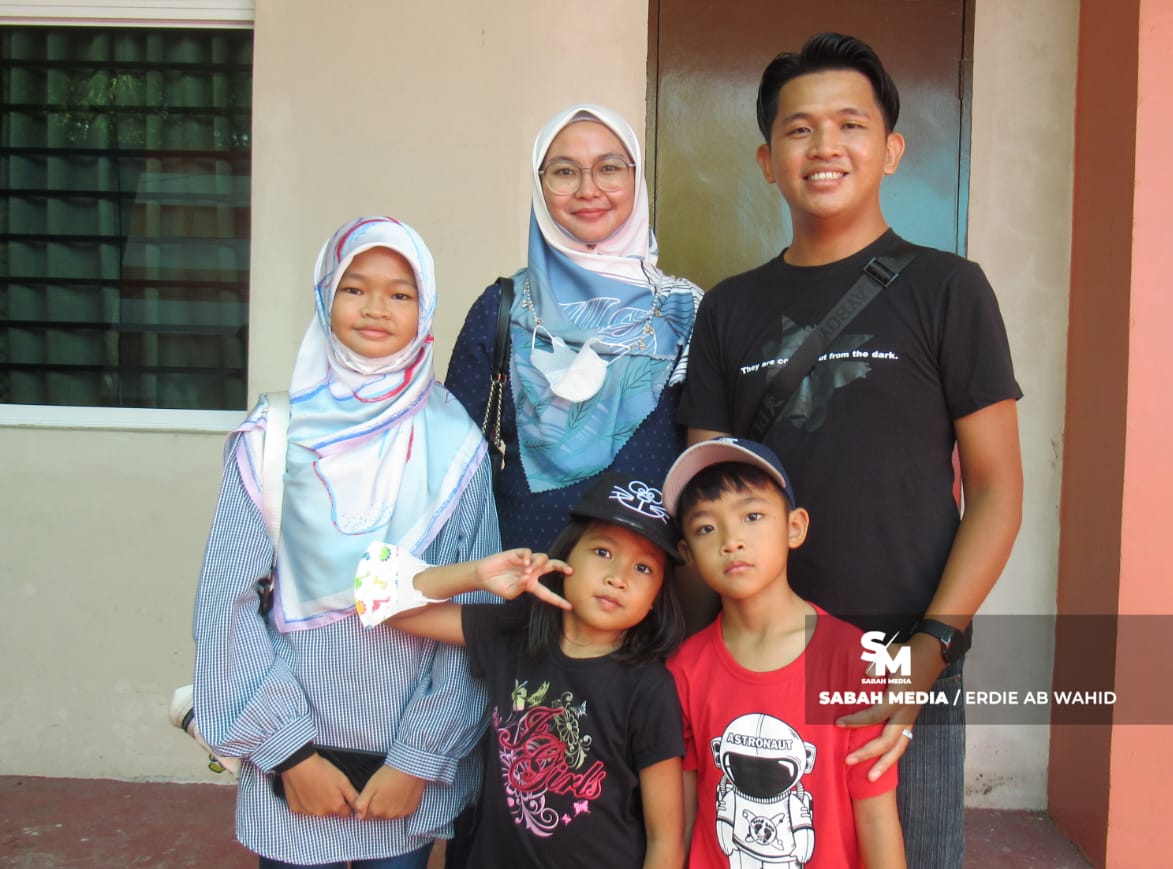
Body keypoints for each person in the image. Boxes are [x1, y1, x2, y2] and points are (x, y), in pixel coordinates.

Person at [676, 33, 1023, 867]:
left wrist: (931, 647)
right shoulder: (729, 310)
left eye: (850, 124)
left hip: (903, 659)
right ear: (767, 161)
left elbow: (997, 489)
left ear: (891, 149)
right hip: (763, 664)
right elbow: (704, 499)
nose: (824, 146)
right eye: (799, 129)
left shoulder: (949, 289)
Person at [192, 216, 500, 868]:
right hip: (292, 771)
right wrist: (290, 754)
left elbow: (475, 617)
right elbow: (227, 602)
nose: (376, 308)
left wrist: (418, 759)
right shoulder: (274, 437)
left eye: (400, 293)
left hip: (404, 775)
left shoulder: (455, 445)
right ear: (325, 295)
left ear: (425, 309)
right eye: (355, 288)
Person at [354, 472, 687, 869]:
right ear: (565, 556)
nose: (618, 578)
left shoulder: (649, 687)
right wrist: (476, 575)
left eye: (644, 568)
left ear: (656, 599)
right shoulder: (513, 635)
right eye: (603, 552)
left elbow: (666, 841)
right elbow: (375, 596)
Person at [445, 103, 702, 552]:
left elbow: (703, 464)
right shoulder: (501, 307)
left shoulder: (686, 310)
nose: (588, 189)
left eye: (609, 168)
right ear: (539, 184)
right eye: (564, 172)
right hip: (519, 570)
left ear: (636, 179)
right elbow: (454, 456)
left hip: (643, 574)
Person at [664, 437, 906, 869]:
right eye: (706, 528)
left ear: (795, 527)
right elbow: (680, 821)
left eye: (752, 516)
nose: (731, 540)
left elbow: (875, 818)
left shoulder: (855, 660)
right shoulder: (684, 669)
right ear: (687, 554)